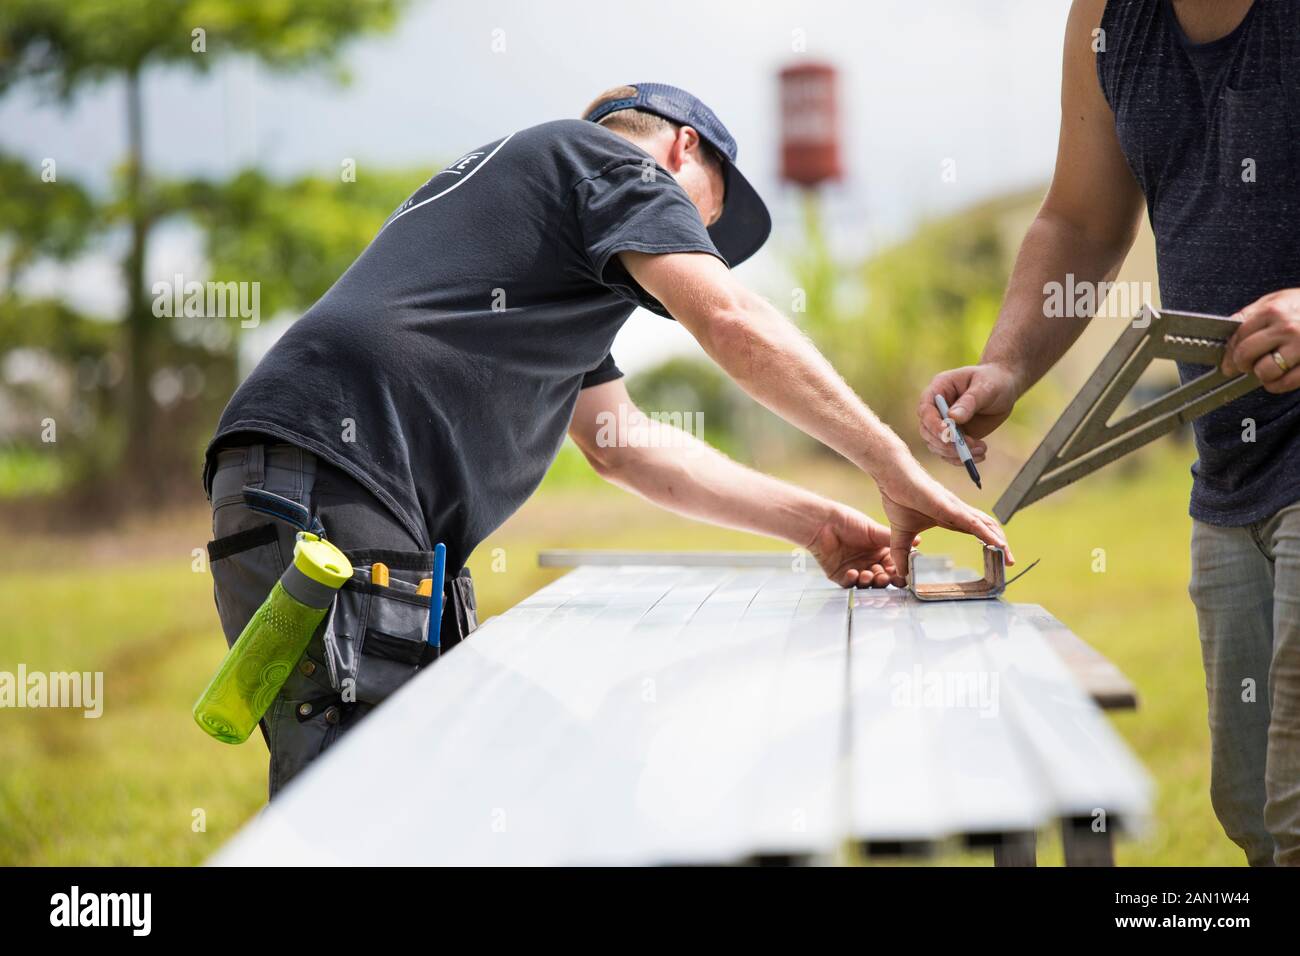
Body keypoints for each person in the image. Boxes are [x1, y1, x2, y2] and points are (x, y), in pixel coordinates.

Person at [205, 82, 1008, 797]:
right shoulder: (604, 158)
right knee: (366, 804)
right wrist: (894, 466)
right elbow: (727, 317)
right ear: (680, 148)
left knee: (428, 791)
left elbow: (624, 446)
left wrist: (819, 526)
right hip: (331, 476)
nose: (697, 241)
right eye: (706, 216)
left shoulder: (544, 249)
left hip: (314, 475)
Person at [917, 0, 1299, 865]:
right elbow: (1082, 223)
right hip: (1230, 476)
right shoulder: (1104, 18)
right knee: (1255, 820)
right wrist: (1007, 365)